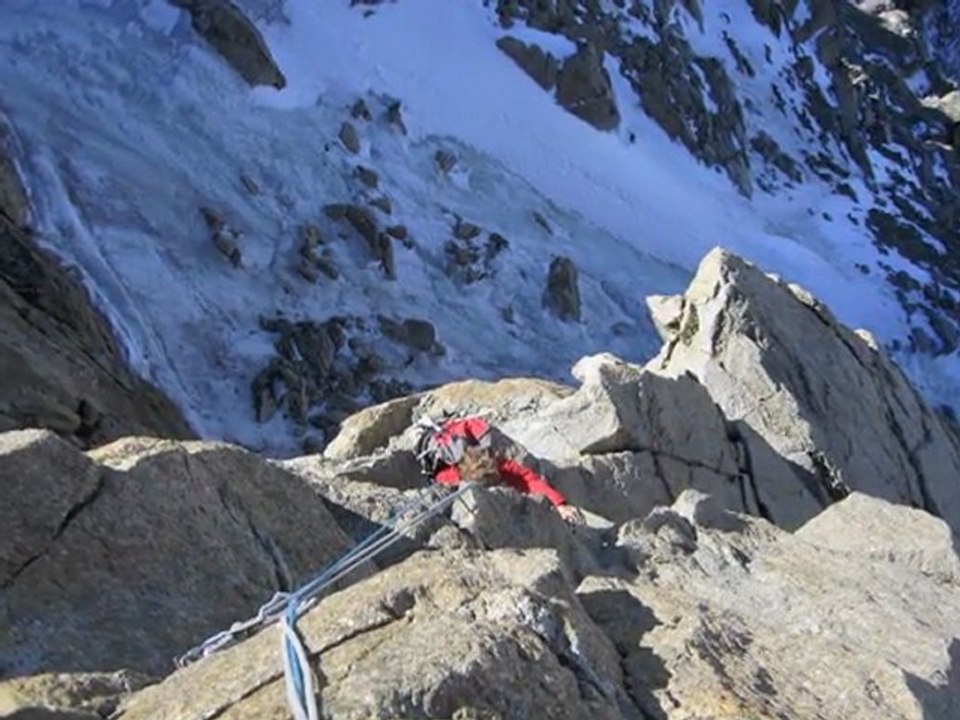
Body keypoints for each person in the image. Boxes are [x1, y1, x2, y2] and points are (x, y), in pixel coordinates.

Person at [415, 414, 582, 523]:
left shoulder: (497, 464)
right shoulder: (448, 476)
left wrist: (559, 503)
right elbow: (437, 482)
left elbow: (529, 479)